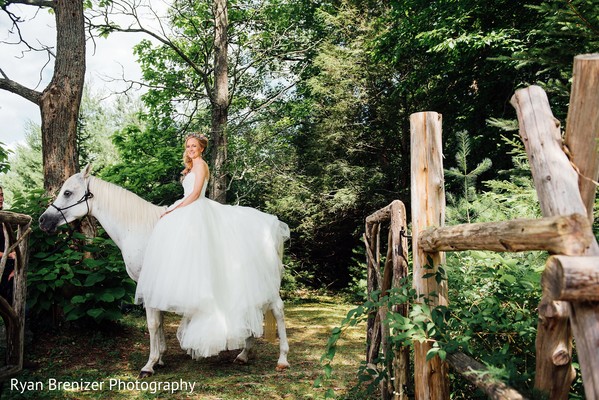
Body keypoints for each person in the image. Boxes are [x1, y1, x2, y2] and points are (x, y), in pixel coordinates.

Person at [135, 133, 290, 359]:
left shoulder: (201, 165)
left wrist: (174, 209)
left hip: (196, 210)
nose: (190, 149)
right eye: (188, 146)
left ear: (201, 149)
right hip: (189, 209)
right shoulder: (189, 167)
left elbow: (196, 193)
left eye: (194, 146)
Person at [0, 186, 16, 303]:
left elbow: (14, 248)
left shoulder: (4, 221)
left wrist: (14, 270)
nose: (1, 198)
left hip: (8, 273)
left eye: (1, 195)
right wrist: (9, 255)